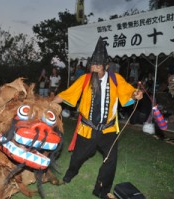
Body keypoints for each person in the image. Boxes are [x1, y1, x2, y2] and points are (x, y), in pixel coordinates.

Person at [52, 37, 143, 199]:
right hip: (87, 129)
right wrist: (50, 103)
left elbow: (129, 92)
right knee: (78, 157)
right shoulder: (85, 79)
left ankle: (102, 190)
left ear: (106, 66)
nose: (94, 68)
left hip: (108, 130)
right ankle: (70, 173)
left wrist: (136, 94)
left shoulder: (116, 79)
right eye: (92, 65)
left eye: (98, 66)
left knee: (110, 161)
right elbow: (68, 94)